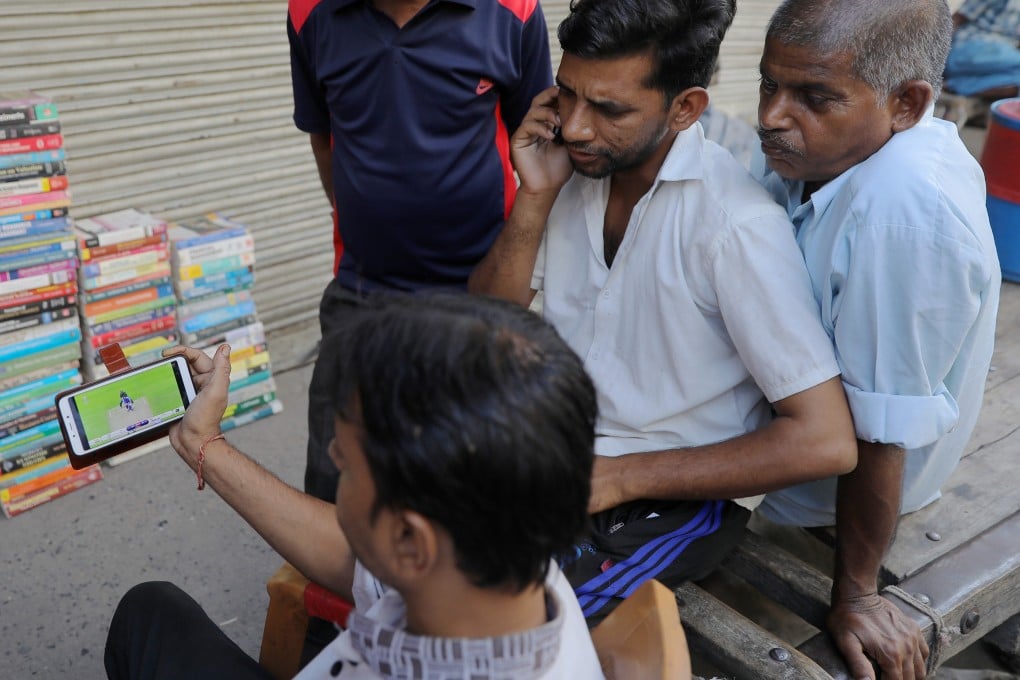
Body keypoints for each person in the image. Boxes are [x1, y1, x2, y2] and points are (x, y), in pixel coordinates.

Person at [469, 0, 858, 625]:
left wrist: (622, 477)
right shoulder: (571, 175)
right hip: (557, 456)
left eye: (608, 109)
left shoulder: (733, 227)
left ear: (685, 108)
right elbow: (485, 320)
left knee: (509, 624)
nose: (574, 127)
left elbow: (826, 441)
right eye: (566, 95)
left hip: (670, 498)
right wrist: (534, 197)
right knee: (403, 553)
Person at [103, 294, 605, 679]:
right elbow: (356, 559)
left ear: (409, 541)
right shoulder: (505, 556)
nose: (331, 457)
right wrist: (201, 444)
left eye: (346, 463)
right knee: (151, 611)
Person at [752, 1, 1001, 678]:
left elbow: (880, 427)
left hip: (829, 484)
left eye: (812, 97)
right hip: (810, 428)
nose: (772, 115)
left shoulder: (903, 212)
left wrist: (857, 592)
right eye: (769, 85)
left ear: (907, 103)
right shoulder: (840, 144)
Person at [287, 0, 554, 503]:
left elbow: (538, 146)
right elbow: (324, 138)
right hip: (360, 290)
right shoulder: (309, 12)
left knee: (466, 476)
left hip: (479, 297)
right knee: (334, 475)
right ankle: (335, 579)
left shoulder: (514, 11)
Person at [944, 0, 1020, 99]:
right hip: (967, 49)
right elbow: (956, 19)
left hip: (997, 58)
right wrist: (936, 56)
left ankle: (956, 85)